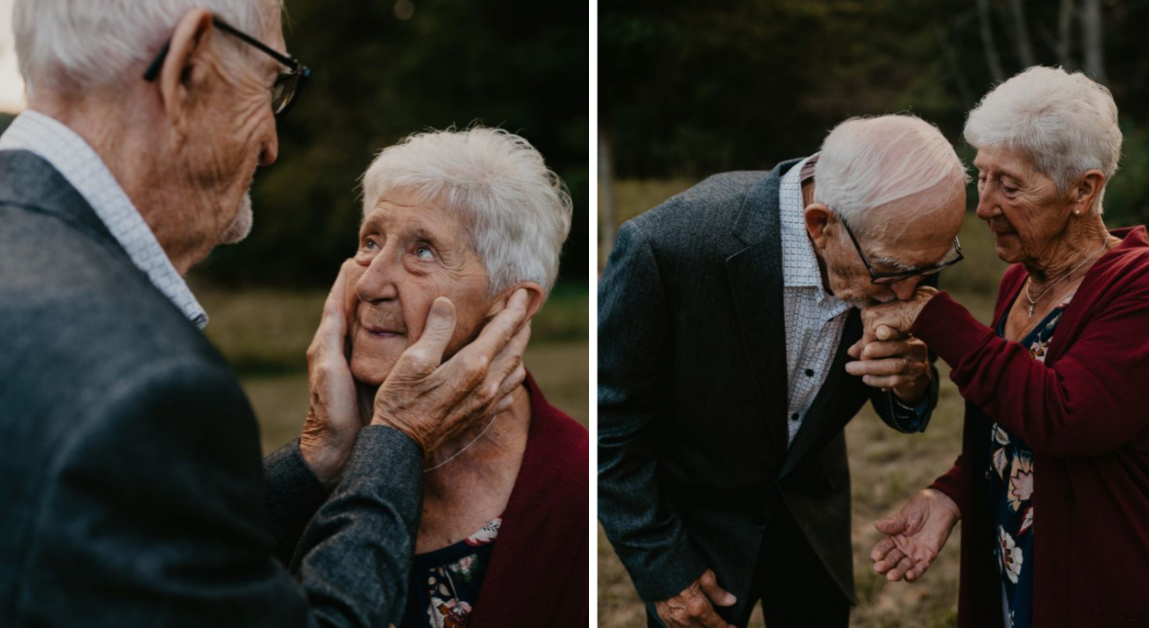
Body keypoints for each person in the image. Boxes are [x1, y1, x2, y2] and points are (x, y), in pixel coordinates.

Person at [0, 1, 528, 626]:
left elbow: (154, 556)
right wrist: (399, 438)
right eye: (272, 83)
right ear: (190, 66)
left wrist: (315, 463)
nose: (273, 145)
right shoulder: (142, 381)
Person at [598, 114, 969, 628]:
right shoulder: (668, 247)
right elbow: (609, 428)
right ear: (821, 226)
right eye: (891, 271)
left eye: (927, 268)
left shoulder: (889, 247)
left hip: (814, 527)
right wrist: (661, 566)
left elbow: (902, 403)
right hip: (695, 533)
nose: (908, 294)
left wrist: (911, 384)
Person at [863, 67, 1149, 627]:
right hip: (1020, 573)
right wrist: (950, 493)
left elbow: (1067, 417)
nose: (985, 206)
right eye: (983, 178)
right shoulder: (1018, 283)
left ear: (1084, 190)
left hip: (1122, 582)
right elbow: (1013, 423)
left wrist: (935, 314)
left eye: (1011, 185)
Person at [338, 128, 587, 628]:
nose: (369, 282)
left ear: (511, 305)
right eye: (371, 241)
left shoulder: (574, 487)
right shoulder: (325, 458)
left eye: (422, 251)